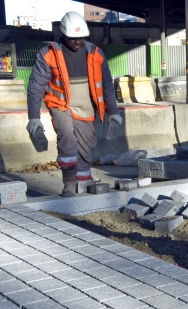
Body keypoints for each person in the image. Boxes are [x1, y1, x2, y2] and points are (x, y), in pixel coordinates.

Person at [26, 11, 121, 197]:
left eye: (81, 38)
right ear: (63, 34)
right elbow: (35, 86)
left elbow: (107, 85)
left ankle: (84, 181)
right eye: (73, 38)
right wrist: (34, 117)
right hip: (61, 105)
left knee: (87, 146)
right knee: (67, 137)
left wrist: (113, 112)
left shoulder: (96, 54)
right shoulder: (48, 55)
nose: (77, 42)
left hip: (87, 108)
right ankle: (69, 182)